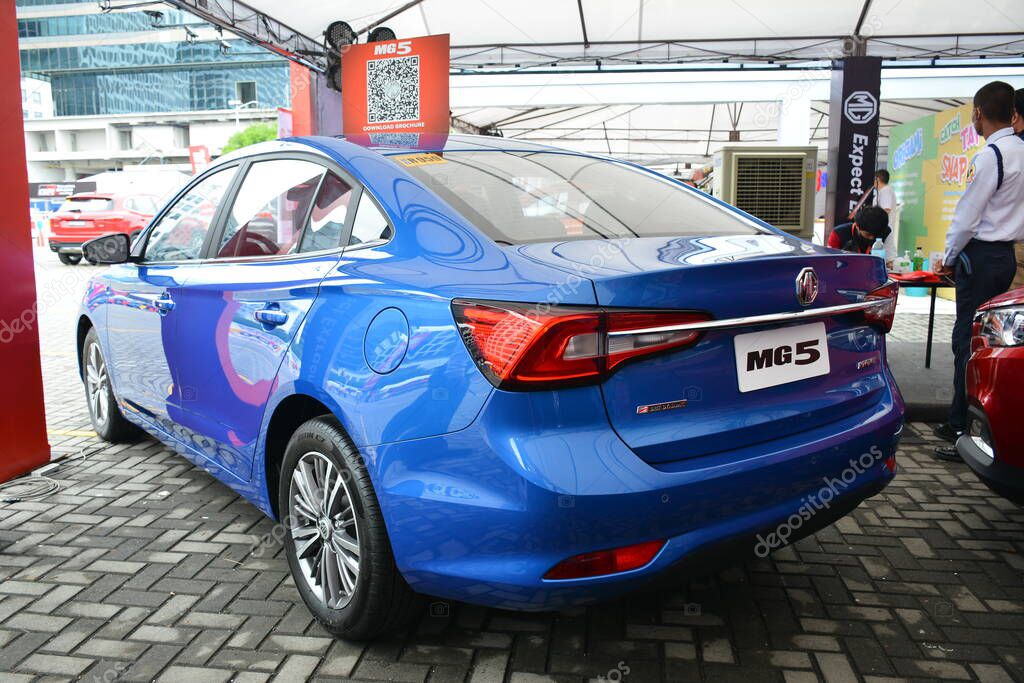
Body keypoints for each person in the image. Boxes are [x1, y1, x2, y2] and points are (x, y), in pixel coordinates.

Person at [933, 81, 1024, 461]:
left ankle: (961, 429)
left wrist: (949, 256)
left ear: (978, 113)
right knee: (994, 346)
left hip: (981, 258)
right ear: (1013, 113)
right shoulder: (1020, 150)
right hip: (1006, 258)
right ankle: (976, 423)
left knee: (967, 343)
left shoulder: (990, 156)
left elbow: (968, 217)